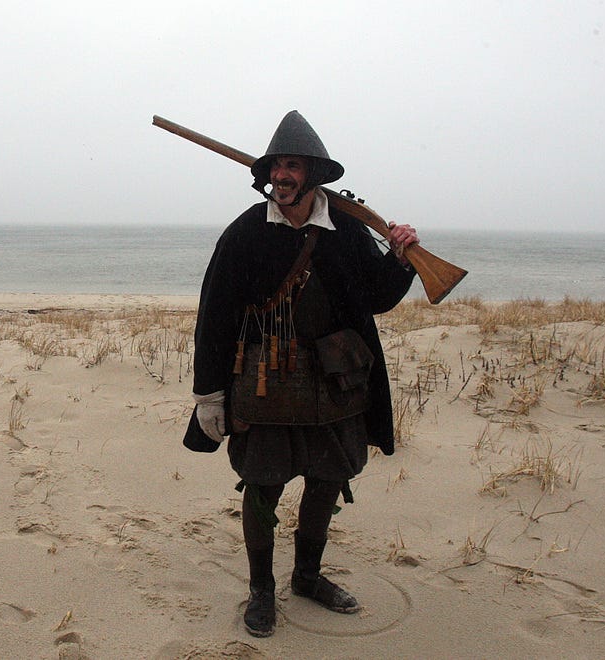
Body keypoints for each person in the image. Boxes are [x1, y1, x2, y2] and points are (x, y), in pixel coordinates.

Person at [189, 110, 419, 637]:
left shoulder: (348, 230)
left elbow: (377, 298)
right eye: (276, 166)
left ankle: (308, 577)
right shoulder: (246, 233)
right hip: (264, 383)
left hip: (338, 385)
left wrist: (402, 258)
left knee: (328, 479)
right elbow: (215, 315)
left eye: (293, 166)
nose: (282, 175)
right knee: (263, 486)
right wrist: (210, 394)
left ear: (313, 172)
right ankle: (262, 590)